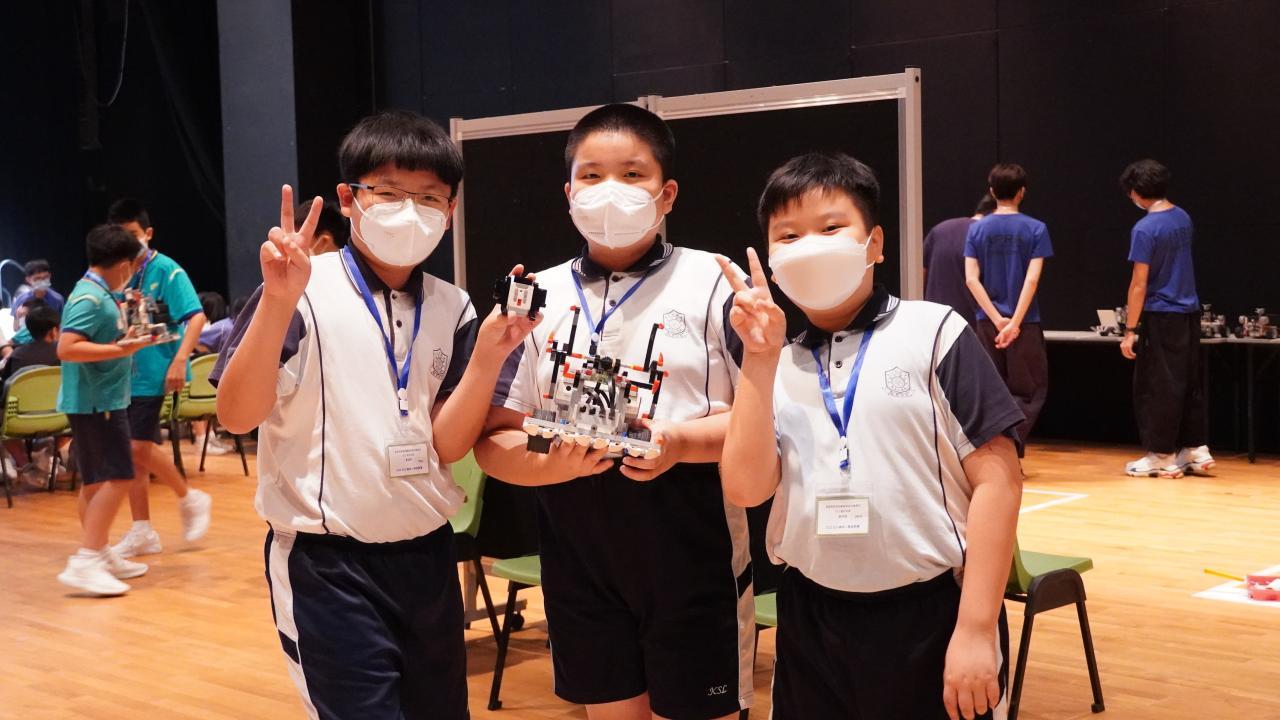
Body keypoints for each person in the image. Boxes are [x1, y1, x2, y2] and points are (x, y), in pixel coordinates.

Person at [212, 109, 538, 720]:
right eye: (388, 193)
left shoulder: (454, 306)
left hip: (428, 555)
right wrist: (278, 301)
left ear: (450, 209)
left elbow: (447, 445)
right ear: (348, 199)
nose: (409, 211)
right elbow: (236, 415)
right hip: (327, 564)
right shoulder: (300, 287)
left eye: (429, 198)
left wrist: (490, 356)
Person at [717, 152, 1023, 720]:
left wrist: (977, 629)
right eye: (789, 236)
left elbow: (999, 482)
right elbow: (745, 488)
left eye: (831, 227)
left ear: (875, 243)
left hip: (931, 614)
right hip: (811, 617)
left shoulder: (935, 331)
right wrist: (758, 361)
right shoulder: (775, 362)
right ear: (771, 262)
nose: (810, 247)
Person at [475, 103, 754, 720]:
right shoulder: (535, 296)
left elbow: (765, 419)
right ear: (568, 193)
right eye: (592, 175)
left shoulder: (716, 282)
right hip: (578, 555)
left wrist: (679, 442)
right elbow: (493, 438)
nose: (611, 190)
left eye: (632, 175)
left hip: (693, 549)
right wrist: (554, 464)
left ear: (667, 193)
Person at [104, 198, 212, 557]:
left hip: (155, 372)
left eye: (133, 233)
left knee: (135, 447)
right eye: (120, 234)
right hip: (123, 373)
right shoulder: (117, 273)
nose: (128, 240)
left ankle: (189, 496)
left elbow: (195, 316)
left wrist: (180, 360)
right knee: (133, 454)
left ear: (147, 233)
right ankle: (142, 529)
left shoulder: (167, 270)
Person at [55, 224, 155, 596]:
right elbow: (67, 347)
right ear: (124, 264)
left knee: (96, 483)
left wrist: (124, 341)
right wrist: (120, 349)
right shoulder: (90, 298)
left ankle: (98, 552)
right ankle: (86, 559)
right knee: (120, 476)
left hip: (100, 400)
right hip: (97, 403)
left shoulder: (99, 294)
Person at [1118, 159, 1213, 478]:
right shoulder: (1182, 217)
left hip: (1162, 314)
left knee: (1158, 386)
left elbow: (1139, 283)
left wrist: (1130, 329)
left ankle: (1161, 455)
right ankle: (1195, 449)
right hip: (1189, 313)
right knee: (1188, 381)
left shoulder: (1145, 228)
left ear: (1136, 191)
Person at [964, 163, 1052, 455]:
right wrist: (1014, 323)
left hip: (987, 323)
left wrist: (997, 319)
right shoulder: (1036, 228)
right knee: (1030, 390)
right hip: (1025, 323)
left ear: (992, 191)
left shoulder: (977, 229)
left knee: (993, 390)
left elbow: (971, 279)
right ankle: (1011, 450)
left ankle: (999, 452)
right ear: (1021, 192)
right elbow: (1032, 278)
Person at [1, 304, 62, 487]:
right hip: (60, 419)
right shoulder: (64, 353)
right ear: (54, 330)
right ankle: (45, 452)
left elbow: (5, 391)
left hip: (20, 421)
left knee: (3, 419)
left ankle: (25, 464)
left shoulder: (17, 356)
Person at [924, 194, 997, 327]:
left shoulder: (939, 230)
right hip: (970, 324)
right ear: (995, 213)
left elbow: (920, 273)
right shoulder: (986, 235)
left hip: (933, 320)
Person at [11, 259, 65, 324]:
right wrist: (18, 317)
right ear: (28, 280)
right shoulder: (21, 299)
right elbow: (16, 326)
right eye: (37, 278)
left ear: (50, 276)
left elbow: (62, 324)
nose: (42, 282)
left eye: (45, 277)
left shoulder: (57, 300)